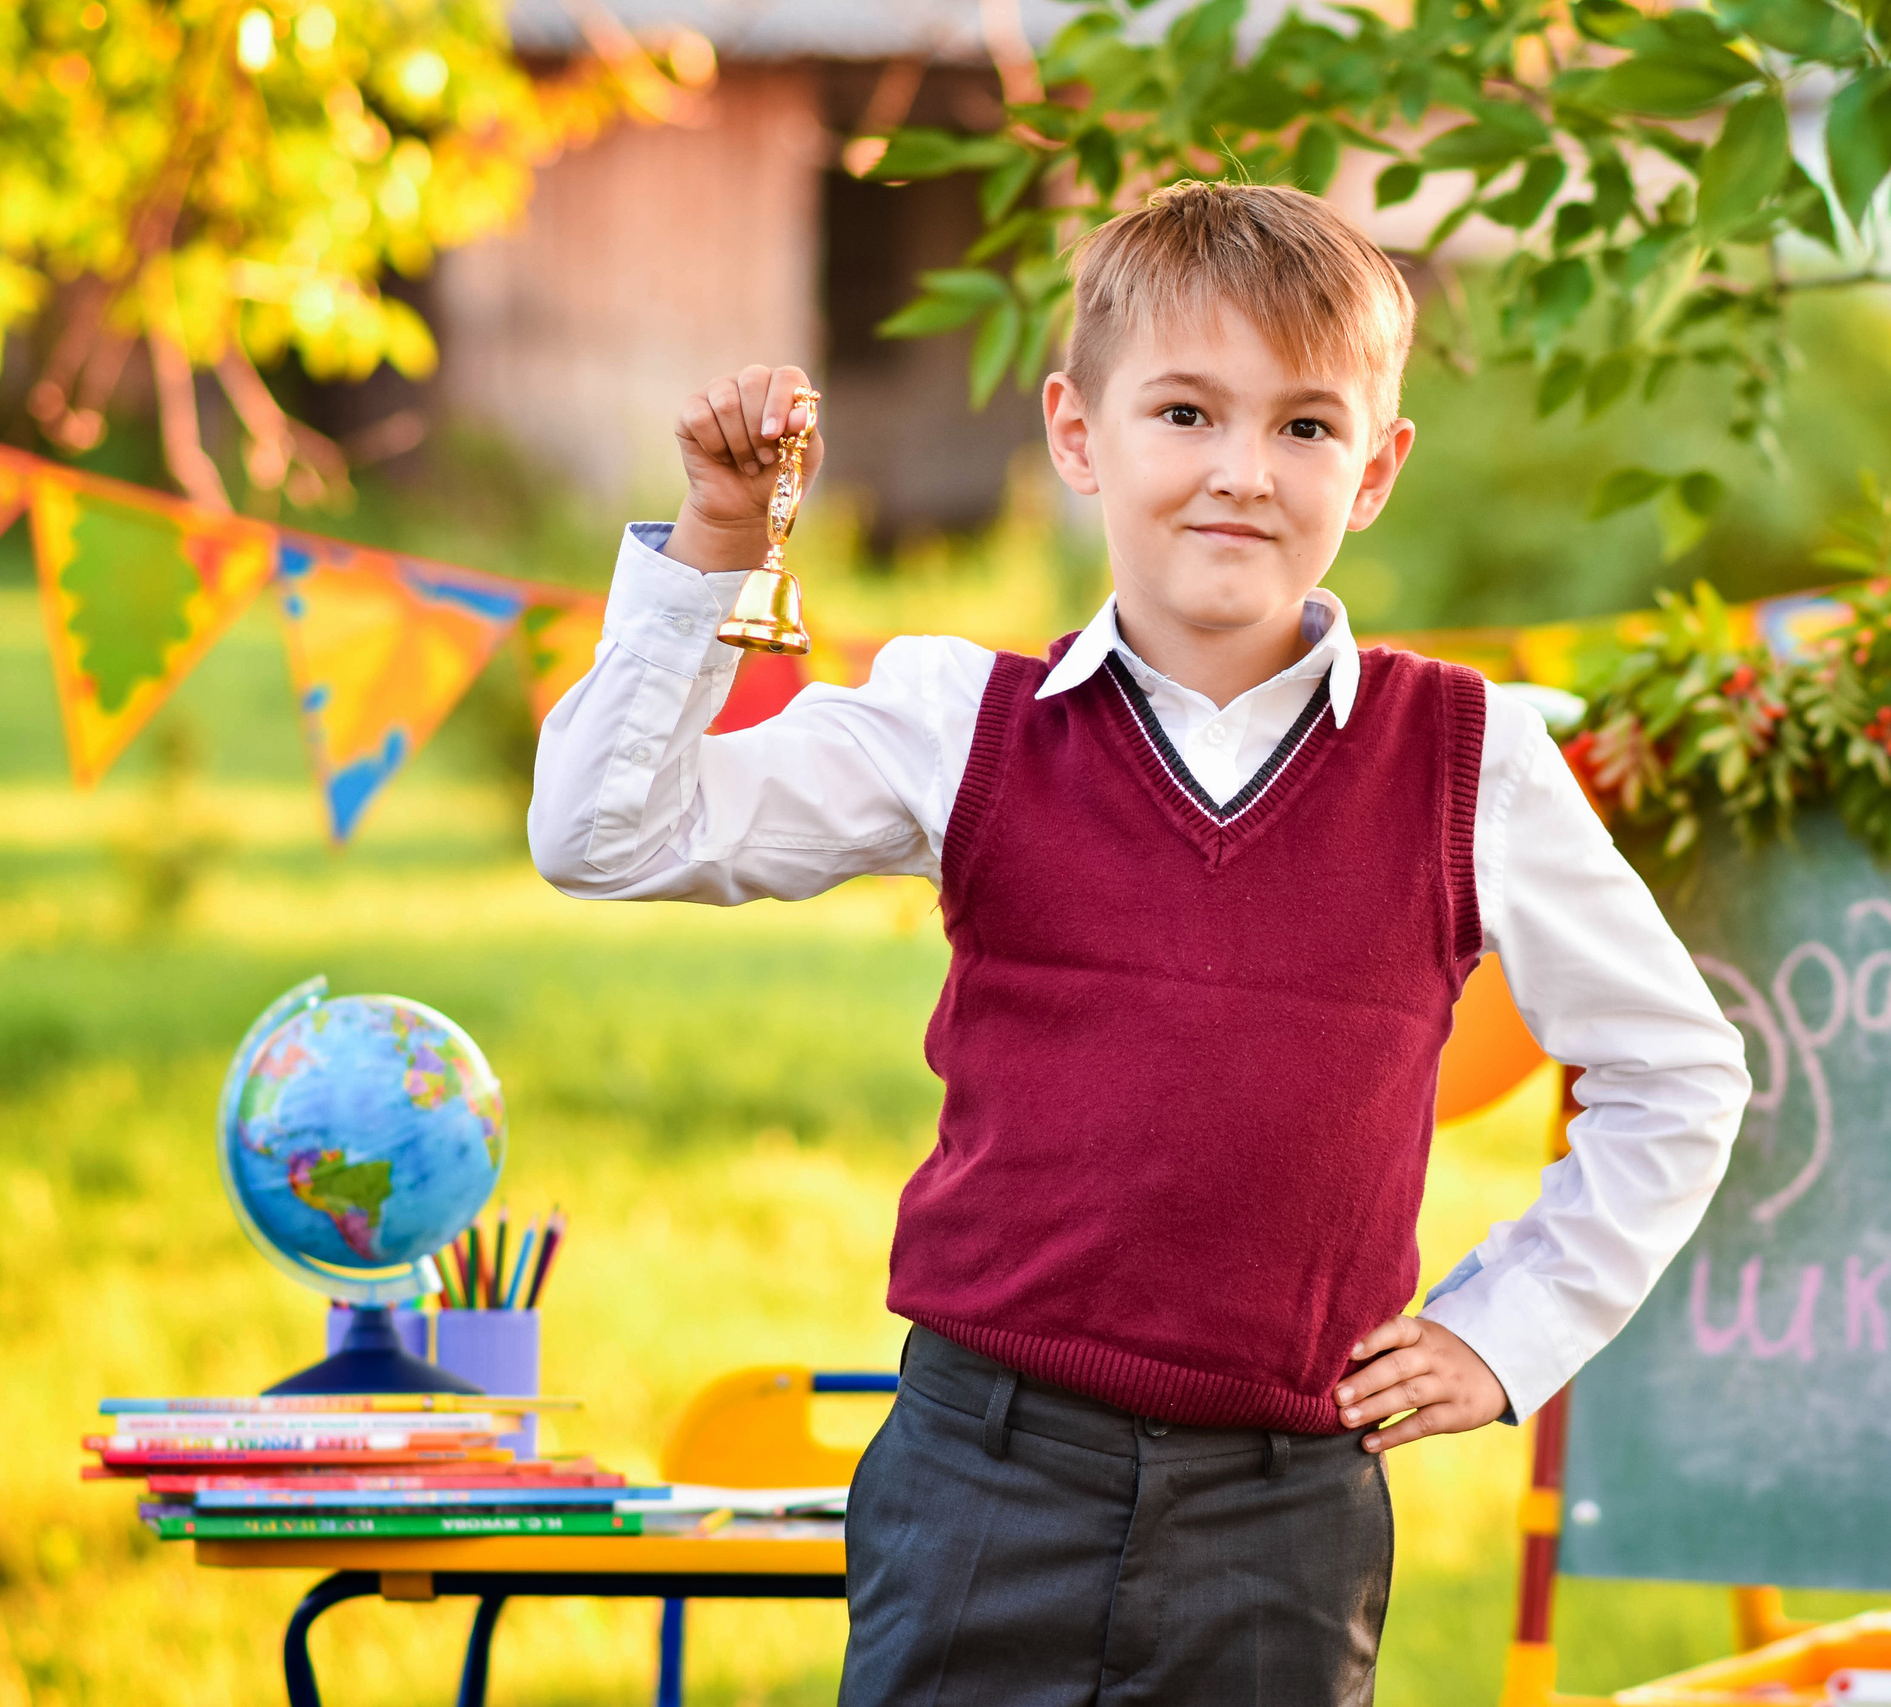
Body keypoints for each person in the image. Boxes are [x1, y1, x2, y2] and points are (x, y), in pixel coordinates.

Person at [530, 181, 1749, 1707]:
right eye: (1186, 412)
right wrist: (717, 545)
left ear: (1376, 472)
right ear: (1078, 432)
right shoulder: (958, 724)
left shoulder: (1470, 758)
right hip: (985, 1476)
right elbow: (603, 834)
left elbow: (1678, 1072)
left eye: (1306, 428)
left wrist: (1509, 1335)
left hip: (1283, 1515)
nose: (1243, 472)